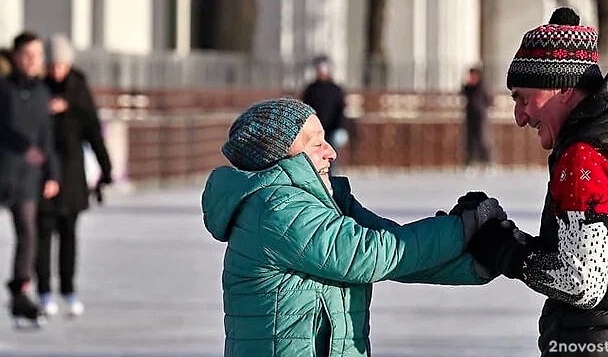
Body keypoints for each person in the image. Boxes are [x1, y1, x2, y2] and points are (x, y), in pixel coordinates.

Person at [201, 98, 509, 356]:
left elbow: (396, 253)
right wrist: (462, 228)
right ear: (281, 157)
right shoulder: (274, 209)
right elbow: (367, 255)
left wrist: (478, 258)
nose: (331, 153)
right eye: (316, 144)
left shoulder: (325, 201)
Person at [467, 7, 608, 356]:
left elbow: (580, 283)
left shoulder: (584, 158)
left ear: (562, 87)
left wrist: (502, 249)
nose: (520, 117)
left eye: (523, 98)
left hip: (594, 344)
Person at [35, 33, 113, 318]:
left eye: (61, 64)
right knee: (42, 233)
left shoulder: (78, 89)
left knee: (69, 234)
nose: (56, 70)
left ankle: (68, 289)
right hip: (42, 172)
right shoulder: (38, 89)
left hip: (71, 173)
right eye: (52, 64)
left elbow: (93, 129)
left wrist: (106, 168)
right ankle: (43, 290)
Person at [0, 31, 60, 325]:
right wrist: (24, 148)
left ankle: (21, 292)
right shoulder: (3, 89)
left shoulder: (41, 92)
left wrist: (52, 173)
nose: (34, 60)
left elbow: (46, 137)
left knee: (28, 233)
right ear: (16, 57)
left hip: (27, 178)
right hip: (2, 170)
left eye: (38, 55)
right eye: (28, 55)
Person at [301, 55, 348, 171]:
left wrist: (341, 128)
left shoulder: (336, 89)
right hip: (315, 130)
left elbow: (341, 110)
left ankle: (330, 178)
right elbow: (305, 108)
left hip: (332, 129)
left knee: (329, 156)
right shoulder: (311, 89)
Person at [460, 66, 493, 171]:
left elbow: (489, 99)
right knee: (470, 141)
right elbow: (463, 93)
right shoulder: (468, 88)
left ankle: (488, 163)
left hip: (481, 117)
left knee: (483, 140)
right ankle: (470, 163)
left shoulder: (482, 87)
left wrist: (483, 109)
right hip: (470, 117)